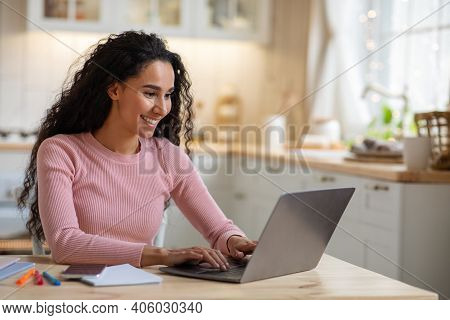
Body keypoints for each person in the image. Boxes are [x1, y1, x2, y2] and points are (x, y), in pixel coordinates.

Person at [18, 31, 257, 270]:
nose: (162, 108)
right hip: (78, 291)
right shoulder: (61, 151)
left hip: (143, 290)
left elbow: (218, 229)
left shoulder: (168, 157)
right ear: (114, 90)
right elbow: (65, 244)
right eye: (150, 93)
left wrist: (237, 241)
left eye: (168, 95)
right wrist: (162, 255)